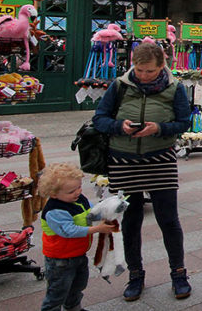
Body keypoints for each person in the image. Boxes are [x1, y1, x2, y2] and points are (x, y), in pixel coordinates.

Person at [92, 42, 192, 301]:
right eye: (139, 70)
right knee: (131, 219)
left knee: (168, 219)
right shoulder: (119, 86)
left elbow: (184, 122)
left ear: (162, 67)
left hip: (160, 158)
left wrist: (158, 128)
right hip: (123, 160)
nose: (144, 76)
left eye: (149, 71)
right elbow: (99, 119)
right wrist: (119, 126)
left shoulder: (175, 88)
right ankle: (135, 275)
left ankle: (179, 274)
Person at [39, 162, 119, 311]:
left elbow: (91, 212)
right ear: (54, 193)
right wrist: (97, 229)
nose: (77, 192)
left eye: (79, 187)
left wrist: (108, 213)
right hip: (60, 259)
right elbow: (69, 231)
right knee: (57, 292)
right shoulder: (55, 210)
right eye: (71, 191)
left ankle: (73, 308)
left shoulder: (78, 199)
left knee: (77, 286)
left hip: (78, 254)